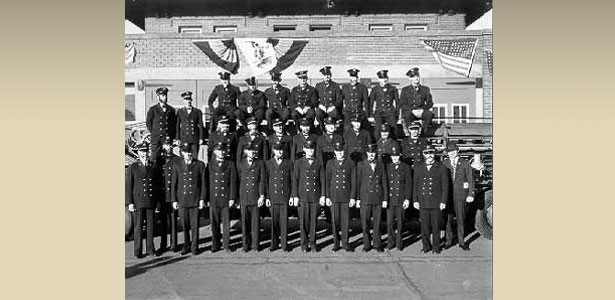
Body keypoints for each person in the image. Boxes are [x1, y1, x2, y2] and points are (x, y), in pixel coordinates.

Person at [413, 145, 449, 254]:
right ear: (423, 154)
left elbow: (445, 187)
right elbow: (415, 186)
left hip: (436, 202)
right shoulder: (418, 168)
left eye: (431, 153)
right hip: (423, 202)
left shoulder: (441, 167)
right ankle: (426, 246)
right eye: (427, 153)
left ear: (434, 154)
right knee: (424, 227)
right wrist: (415, 200)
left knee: (436, 226)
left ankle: (436, 247)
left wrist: (443, 201)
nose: (429, 155)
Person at [171, 144, 207, 255]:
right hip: (182, 200)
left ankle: (194, 247)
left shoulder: (200, 165)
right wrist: (174, 200)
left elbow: (203, 184)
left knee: (195, 225)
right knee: (185, 225)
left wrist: (202, 199)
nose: (188, 154)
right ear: (182, 153)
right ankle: (186, 245)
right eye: (186, 152)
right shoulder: (177, 165)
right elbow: (174, 184)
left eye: (190, 152)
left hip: (195, 199)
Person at [126, 143, 159, 258]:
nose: (144, 154)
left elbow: (155, 186)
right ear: (138, 153)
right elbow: (129, 186)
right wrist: (130, 202)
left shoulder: (152, 166)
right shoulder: (133, 167)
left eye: (145, 151)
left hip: (150, 201)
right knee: (138, 228)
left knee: (150, 227)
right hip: (138, 201)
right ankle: (137, 251)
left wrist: (157, 203)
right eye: (142, 151)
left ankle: (150, 250)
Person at [292, 140, 326, 252]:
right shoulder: (299, 162)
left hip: (315, 196)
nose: (310, 151)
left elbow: (322, 180)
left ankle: (313, 243)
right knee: (303, 222)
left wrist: (323, 195)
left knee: (313, 222)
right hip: (303, 196)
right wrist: (295, 196)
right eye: (308, 149)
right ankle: (304, 244)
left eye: (312, 149)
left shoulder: (318, 163)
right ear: (304, 150)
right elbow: (295, 180)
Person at [325, 141, 357, 252]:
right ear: (335, 152)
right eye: (338, 151)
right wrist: (327, 197)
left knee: (346, 221)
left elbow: (354, 181)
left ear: (344, 151)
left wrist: (353, 197)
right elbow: (327, 181)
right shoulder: (330, 163)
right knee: (335, 221)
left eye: (342, 151)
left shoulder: (350, 163)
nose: (340, 153)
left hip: (346, 197)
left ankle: (345, 243)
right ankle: (336, 243)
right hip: (334, 196)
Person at [356, 144, 389, 252]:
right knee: (365, 224)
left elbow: (384, 182)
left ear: (376, 153)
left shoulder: (381, 165)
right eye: (369, 153)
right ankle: (366, 244)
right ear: (366, 153)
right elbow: (358, 182)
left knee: (377, 223)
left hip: (378, 197)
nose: (371, 155)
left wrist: (385, 199)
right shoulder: (361, 165)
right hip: (365, 198)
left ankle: (377, 244)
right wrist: (357, 199)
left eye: (373, 153)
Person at [442, 142, 474, 251]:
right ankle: (448, 241)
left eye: (454, 151)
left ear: (458, 151)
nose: (452, 153)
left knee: (461, 219)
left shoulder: (465, 163)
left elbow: (470, 179)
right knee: (448, 219)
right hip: (449, 196)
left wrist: (470, 194)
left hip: (461, 195)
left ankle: (461, 241)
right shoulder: (444, 163)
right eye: (450, 151)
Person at [207, 142, 237, 252]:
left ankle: (226, 245)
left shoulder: (230, 164)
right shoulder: (210, 165)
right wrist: (206, 199)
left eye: (223, 150)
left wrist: (232, 198)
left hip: (226, 198)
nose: (222, 152)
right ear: (215, 151)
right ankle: (215, 245)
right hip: (214, 198)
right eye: (219, 150)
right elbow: (207, 182)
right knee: (214, 223)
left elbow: (233, 182)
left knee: (226, 224)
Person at [237, 145, 266, 252]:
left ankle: (256, 245)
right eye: (250, 151)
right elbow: (238, 181)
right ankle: (246, 245)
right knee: (245, 223)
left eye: (254, 151)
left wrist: (262, 195)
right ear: (245, 151)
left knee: (255, 223)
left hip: (255, 197)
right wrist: (238, 198)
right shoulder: (241, 164)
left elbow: (262, 181)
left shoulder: (260, 163)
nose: (252, 153)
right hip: (244, 197)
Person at [265, 142, 293, 251]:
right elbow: (266, 182)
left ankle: (284, 244)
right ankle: (274, 244)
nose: (279, 152)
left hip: (284, 196)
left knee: (284, 221)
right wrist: (267, 196)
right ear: (273, 151)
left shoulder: (288, 163)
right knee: (274, 222)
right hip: (273, 196)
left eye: (281, 150)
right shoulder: (268, 163)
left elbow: (292, 181)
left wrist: (291, 196)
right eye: (277, 150)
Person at [157, 137, 182, 253]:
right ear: (163, 146)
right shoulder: (159, 160)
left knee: (173, 220)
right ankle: (163, 245)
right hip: (162, 195)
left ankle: (174, 244)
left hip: (172, 195)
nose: (169, 147)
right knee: (162, 222)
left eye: (170, 145)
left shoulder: (177, 160)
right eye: (166, 145)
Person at [385, 147, 412, 250]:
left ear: (400, 156)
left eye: (396, 156)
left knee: (400, 222)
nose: (395, 158)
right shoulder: (388, 167)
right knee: (390, 222)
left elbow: (409, 184)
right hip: (391, 199)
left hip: (401, 199)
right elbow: (386, 184)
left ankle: (399, 243)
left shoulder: (406, 167)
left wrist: (407, 198)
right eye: (393, 156)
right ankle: (391, 242)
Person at [399, 67, 434, 136]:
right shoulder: (405, 90)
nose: (416, 78)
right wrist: (412, 110)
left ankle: (423, 134)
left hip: (421, 111)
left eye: (417, 76)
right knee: (407, 116)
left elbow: (430, 103)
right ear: (410, 78)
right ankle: (410, 135)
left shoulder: (425, 89)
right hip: (411, 112)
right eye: (413, 77)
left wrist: (422, 110)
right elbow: (402, 104)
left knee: (429, 114)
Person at [146, 87, 176, 161]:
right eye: (162, 96)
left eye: (165, 95)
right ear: (158, 97)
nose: (165, 97)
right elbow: (148, 123)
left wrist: (172, 137)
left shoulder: (171, 110)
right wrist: (155, 133)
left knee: (168, 160)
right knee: (154, 160)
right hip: (156, 139)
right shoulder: (153, 109)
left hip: (167, 139)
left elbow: (173, 125)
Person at [369, 70, 399, 138]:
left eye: (385, 78)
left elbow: (397, 102)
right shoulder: (375, 89)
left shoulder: (393, 88)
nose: (384, 80)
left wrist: (397, 115)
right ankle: (379, 144)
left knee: (394, 127)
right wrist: (371, 115)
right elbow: (371, 103)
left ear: (387, 79)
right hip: (379, 112)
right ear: (378, 79)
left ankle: (393, 143)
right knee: (377, 128)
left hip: (390, 112)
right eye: (382, 79)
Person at [176, 91, 205, 157]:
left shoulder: (197, 111)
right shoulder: (180, 111)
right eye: (186, 100)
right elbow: (177, 126)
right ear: (184, 101)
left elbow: (201, 126)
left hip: (194, 138)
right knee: (183, 157)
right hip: (184, 138)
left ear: (191, 100)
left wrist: (201, 138)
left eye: (189, 99)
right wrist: (177, 138)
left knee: (194, 157)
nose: (188, 101)